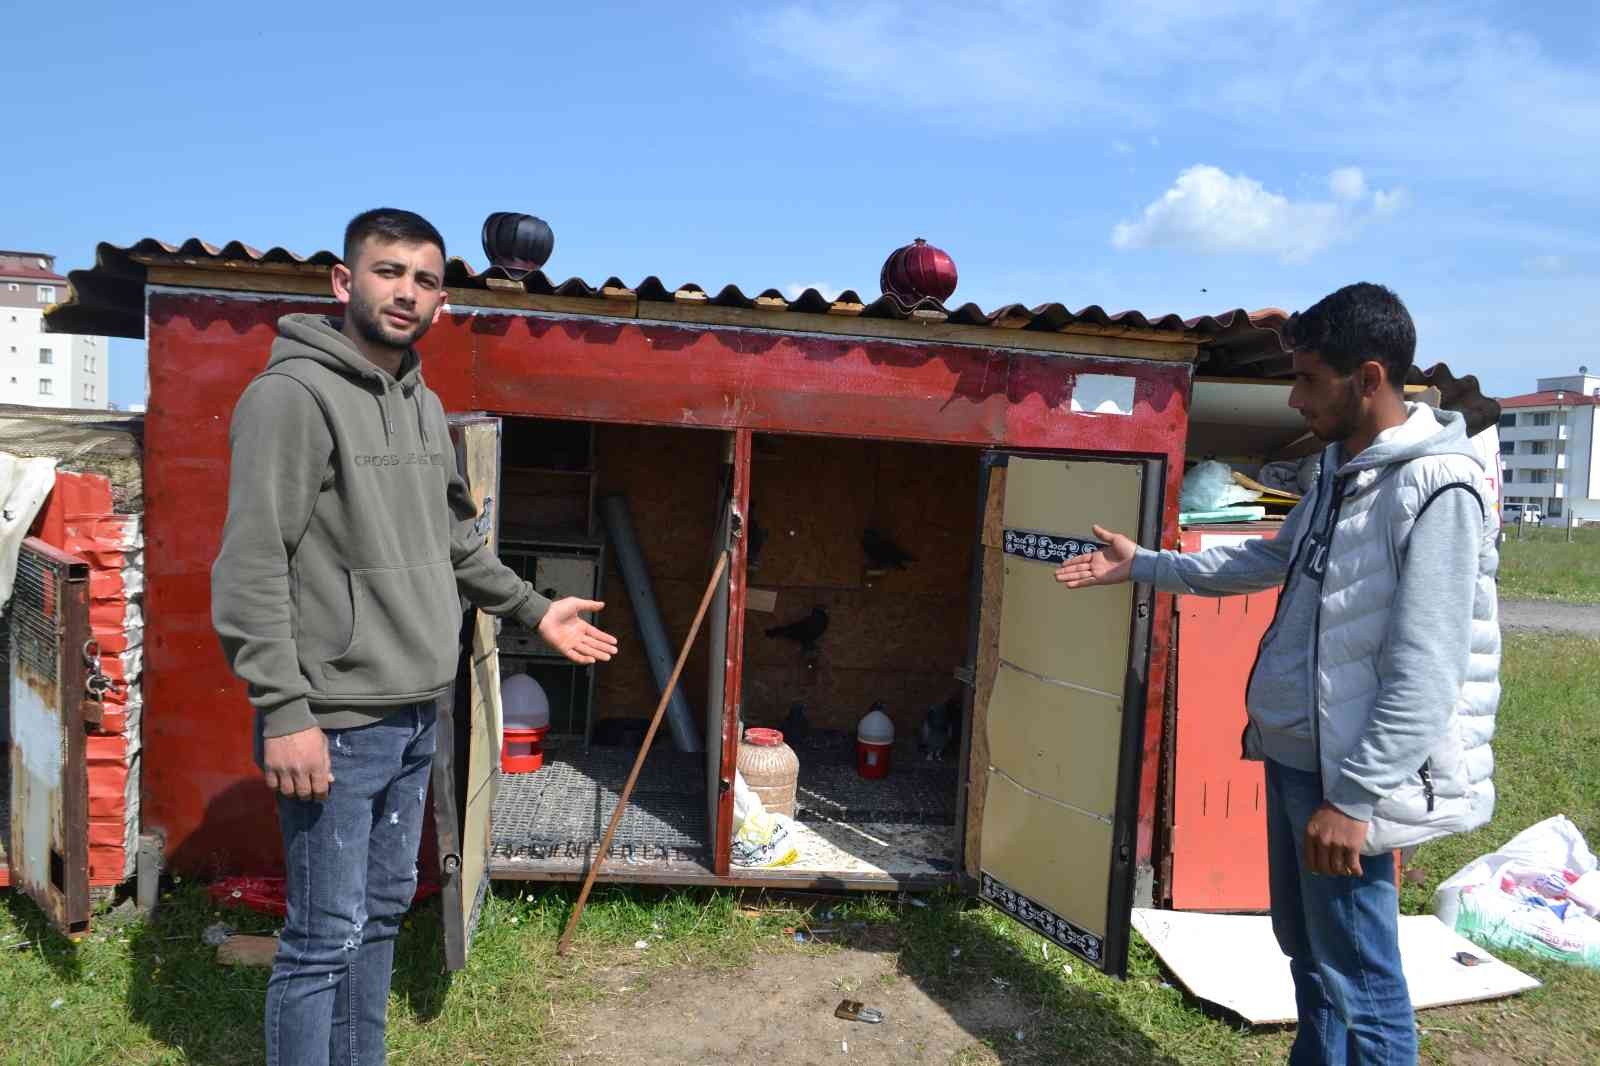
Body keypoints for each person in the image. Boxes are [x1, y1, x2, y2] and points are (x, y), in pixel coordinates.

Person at [211, 207, 619, 1065]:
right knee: (322, 935)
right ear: (343, 281)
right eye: (388, 271)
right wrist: (284, 712)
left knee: (382, 915)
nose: (406, 292)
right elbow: (252, 563)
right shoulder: (291, 398)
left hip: (415, 712)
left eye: (425, 280)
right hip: (334, 720)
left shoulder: (425, 406)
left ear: (442, 300)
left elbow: (455, 542)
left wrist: (534, 608)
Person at [1057, 283, 1499, 1066]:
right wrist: (1147, 564)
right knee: (1310, 954)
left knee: (1361, 980)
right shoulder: (1339, 468)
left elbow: (1428, 669)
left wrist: (1353, 800)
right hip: (1298, 756)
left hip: (1346, 775)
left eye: (1308, 380)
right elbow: (1270, 559)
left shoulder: (1437, 489)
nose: (1295, 399)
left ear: (1369, 378)